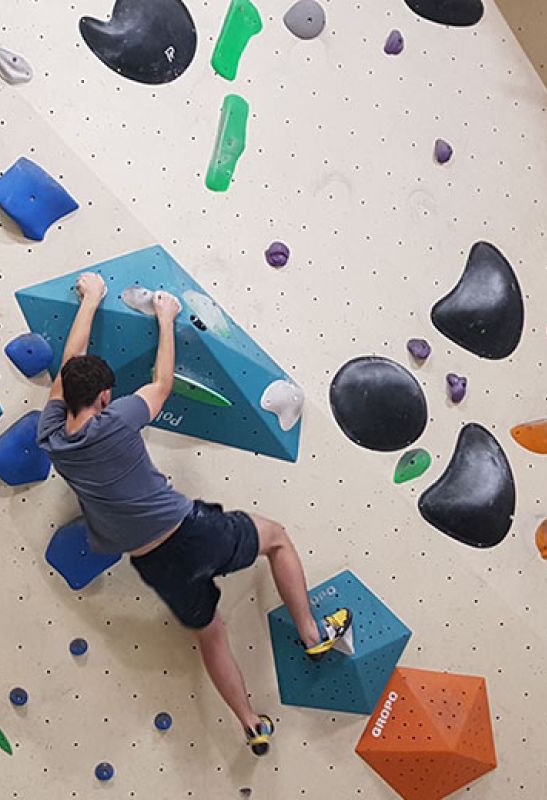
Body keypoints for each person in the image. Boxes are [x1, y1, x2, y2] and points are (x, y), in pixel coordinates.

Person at [36, 272, 349, 756]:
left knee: (211, 633)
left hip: (152, 562)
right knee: (277, 538)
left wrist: (92, 300)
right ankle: (313, 633)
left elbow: (67, 368)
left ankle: (251, 725)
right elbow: (162, 383)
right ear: (104, 400)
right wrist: (166, 317)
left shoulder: (52, 437)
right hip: (190, 532)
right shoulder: (118, 420)